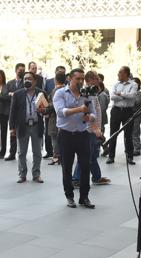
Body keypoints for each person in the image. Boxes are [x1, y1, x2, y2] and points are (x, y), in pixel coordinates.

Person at [53, 68, 97, 209]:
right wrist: (79, 110)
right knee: (67, 167)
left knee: (85, 166)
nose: (80, 81)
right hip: (66, 135)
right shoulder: (60, 93)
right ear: (69, 78)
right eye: (77, 78)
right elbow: (60, 112)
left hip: (83, 134)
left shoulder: (86, 94)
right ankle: (70, 197)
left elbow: (94, 113)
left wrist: (89, 117)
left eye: (82, 79)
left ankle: (84, 197)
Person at [73, 71, 111, 188]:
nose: (99, 80)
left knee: (93, 155)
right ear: (89, 80)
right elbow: (87, 114)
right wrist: (94, 129)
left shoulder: (93, 92)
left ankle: (96, 177)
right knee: (86, 156)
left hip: (95, 129)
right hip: (90, 130)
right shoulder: (86, 93)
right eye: (96, 78)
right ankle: (76, 179)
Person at [9, 70, 46, 184]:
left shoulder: (41, 93)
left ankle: (36, 175)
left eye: (29, 79)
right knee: (21, 153)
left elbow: (47, 109)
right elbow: (12, 112)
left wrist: (44, 110)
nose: (27, 81)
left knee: (37, 152)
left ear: (35, 81)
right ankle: (22, 174)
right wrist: (12, 128)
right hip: (22, 126)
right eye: (25, 79)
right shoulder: (17, 94)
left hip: (36, 126)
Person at [107, 66, 141, 165]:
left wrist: (120, 94)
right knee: (113, 134)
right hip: (116, 110)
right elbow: (112, 97)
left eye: (120, 72)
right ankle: (111, 156)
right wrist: (125, 96)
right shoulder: (116, 84)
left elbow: (132, 96)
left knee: (128, 135)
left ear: (125, 74)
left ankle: (129, 157)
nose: (118, 74)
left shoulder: (133, 84)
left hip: (128, 111)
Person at [3, 63, 26, 159]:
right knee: (12, 132)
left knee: (23, 134)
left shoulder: (25, 83)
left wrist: (13, 94)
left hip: (22, 111)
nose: (22, 72)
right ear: (16, 70)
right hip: (12, 111)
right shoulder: (10, 83)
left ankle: (22, 153)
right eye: (20, 70)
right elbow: (5, 95)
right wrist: (12, 95)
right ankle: (12, 153)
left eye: (23, 70)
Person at [45, 71, 66, 165]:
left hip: (54, 117)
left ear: (55, 80)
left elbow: (53, 105)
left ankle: (56, 157)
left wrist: (45, 109)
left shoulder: (56, 90)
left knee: (55, 138)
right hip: (65, 117)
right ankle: (62, 155)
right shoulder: (67, 89)